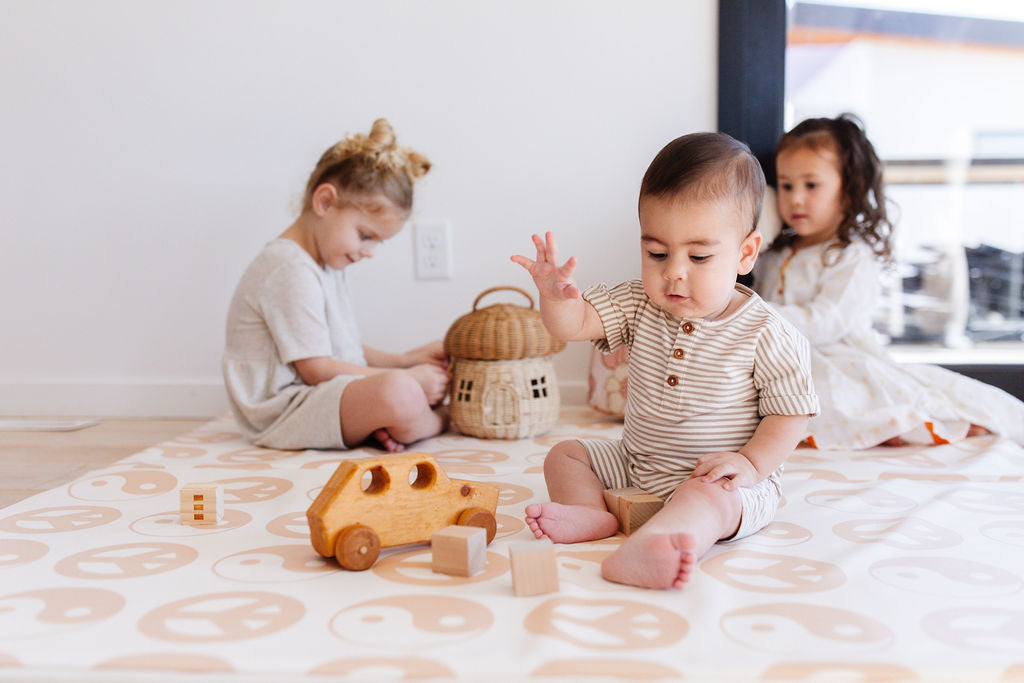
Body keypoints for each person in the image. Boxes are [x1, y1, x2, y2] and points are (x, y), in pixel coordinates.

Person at [510, 132, 819, 590]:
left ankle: (657, 544)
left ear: (745, 254)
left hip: (720, 476)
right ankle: (592, 514)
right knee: (565, 454)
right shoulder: (639, 304)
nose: (673, 271)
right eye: (656, 252)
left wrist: (750, 464)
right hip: (635, 464)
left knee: (708, 501)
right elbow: (571, 325)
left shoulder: (767, 333)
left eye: (698, 256)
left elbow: (791, 414)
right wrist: (555, 297)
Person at [753, 113, 1024, 448]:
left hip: (837, 355)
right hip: (784, 356)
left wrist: (759, 317)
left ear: (849, 188)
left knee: (837, 389)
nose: (795, 199)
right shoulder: (773, 252)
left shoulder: (851, 255)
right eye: (787, 185)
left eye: (811, 185)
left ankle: (942, 425)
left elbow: (829, 320)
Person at [223, 118, 448, 453]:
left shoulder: (325, 263)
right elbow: (316, 369)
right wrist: (411, 380)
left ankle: (386, 419)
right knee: (398, 392)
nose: (368, 252)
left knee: (399, 384)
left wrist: (404, 360)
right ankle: (439, 421)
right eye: (365, 235)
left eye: (377, 243)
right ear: (325, 203)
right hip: (284, 412)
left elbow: (341, 349)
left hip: (315, 396)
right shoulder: (289, 269)